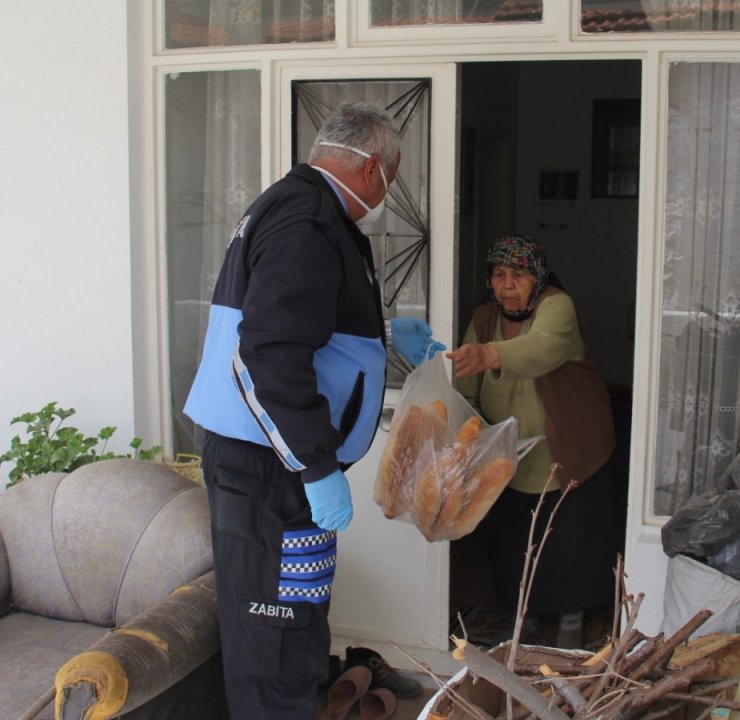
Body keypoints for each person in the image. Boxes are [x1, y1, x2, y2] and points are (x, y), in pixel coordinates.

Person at [183, 102, 443, 719]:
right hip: (269, 468)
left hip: (276, 467)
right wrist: (316, 464)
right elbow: (266, 352)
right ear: (373, 168)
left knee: (295, 622)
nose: (389, 191)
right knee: (274, 643)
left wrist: (380, 335)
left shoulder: (302, 209)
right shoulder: (307, 221)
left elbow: (298, 320)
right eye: (393, 177)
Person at [446, 234, 616, 648]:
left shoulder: (557, 305)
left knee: (569, 538)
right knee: (515, 541)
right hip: (510, 453)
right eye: (499, 274)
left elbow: (542, 349)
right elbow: (466, 378)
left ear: (536, 276)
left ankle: (573, 623)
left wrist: (490, 355)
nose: (507, 284)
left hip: (568, 448)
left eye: (518, 274)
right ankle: (531, 619)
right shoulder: (486, 318)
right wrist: (467, 426)